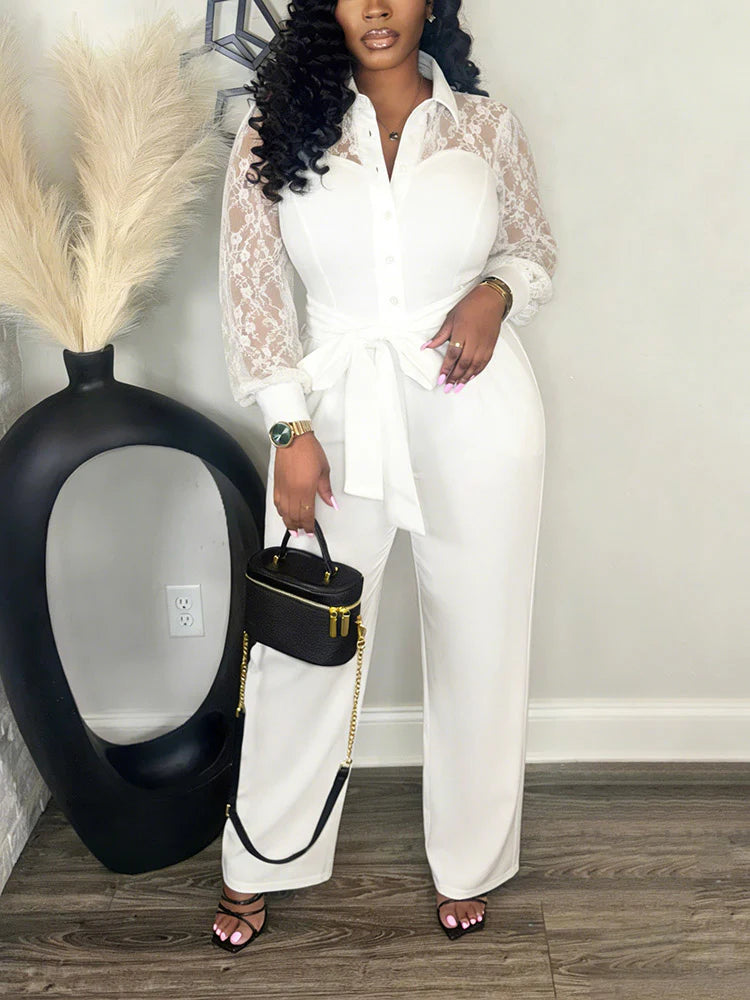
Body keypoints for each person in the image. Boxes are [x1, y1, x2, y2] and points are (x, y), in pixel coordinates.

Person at [213, 0, 557, 951]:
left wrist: (495, 293)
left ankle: (471, 860)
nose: (375, 6)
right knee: (300, 644)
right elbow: (250, 291)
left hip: (475, 407)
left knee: (483, 640)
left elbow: (533, 249)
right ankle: (262, 857)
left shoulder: (483, 125)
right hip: (332, 418)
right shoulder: (278, 127)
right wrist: (288, 427)